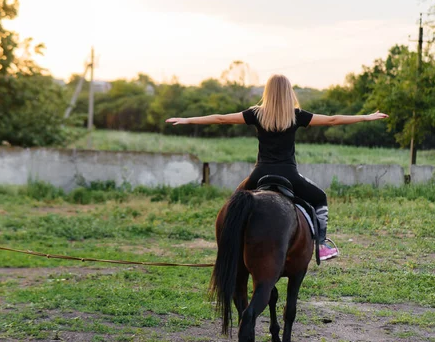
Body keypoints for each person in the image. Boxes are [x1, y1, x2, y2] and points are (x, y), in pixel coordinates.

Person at [166, 74, 388, 261]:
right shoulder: (296, 116)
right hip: (289, 175)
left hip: (260, 173)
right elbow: (332, 120)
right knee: (319, 197)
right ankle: (321, 245)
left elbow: (221, 119)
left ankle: (227, 246)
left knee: (234, 205)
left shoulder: (256, 113)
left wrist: (187, 120)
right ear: (289, 92)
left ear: (268, 92)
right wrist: (366, 117)